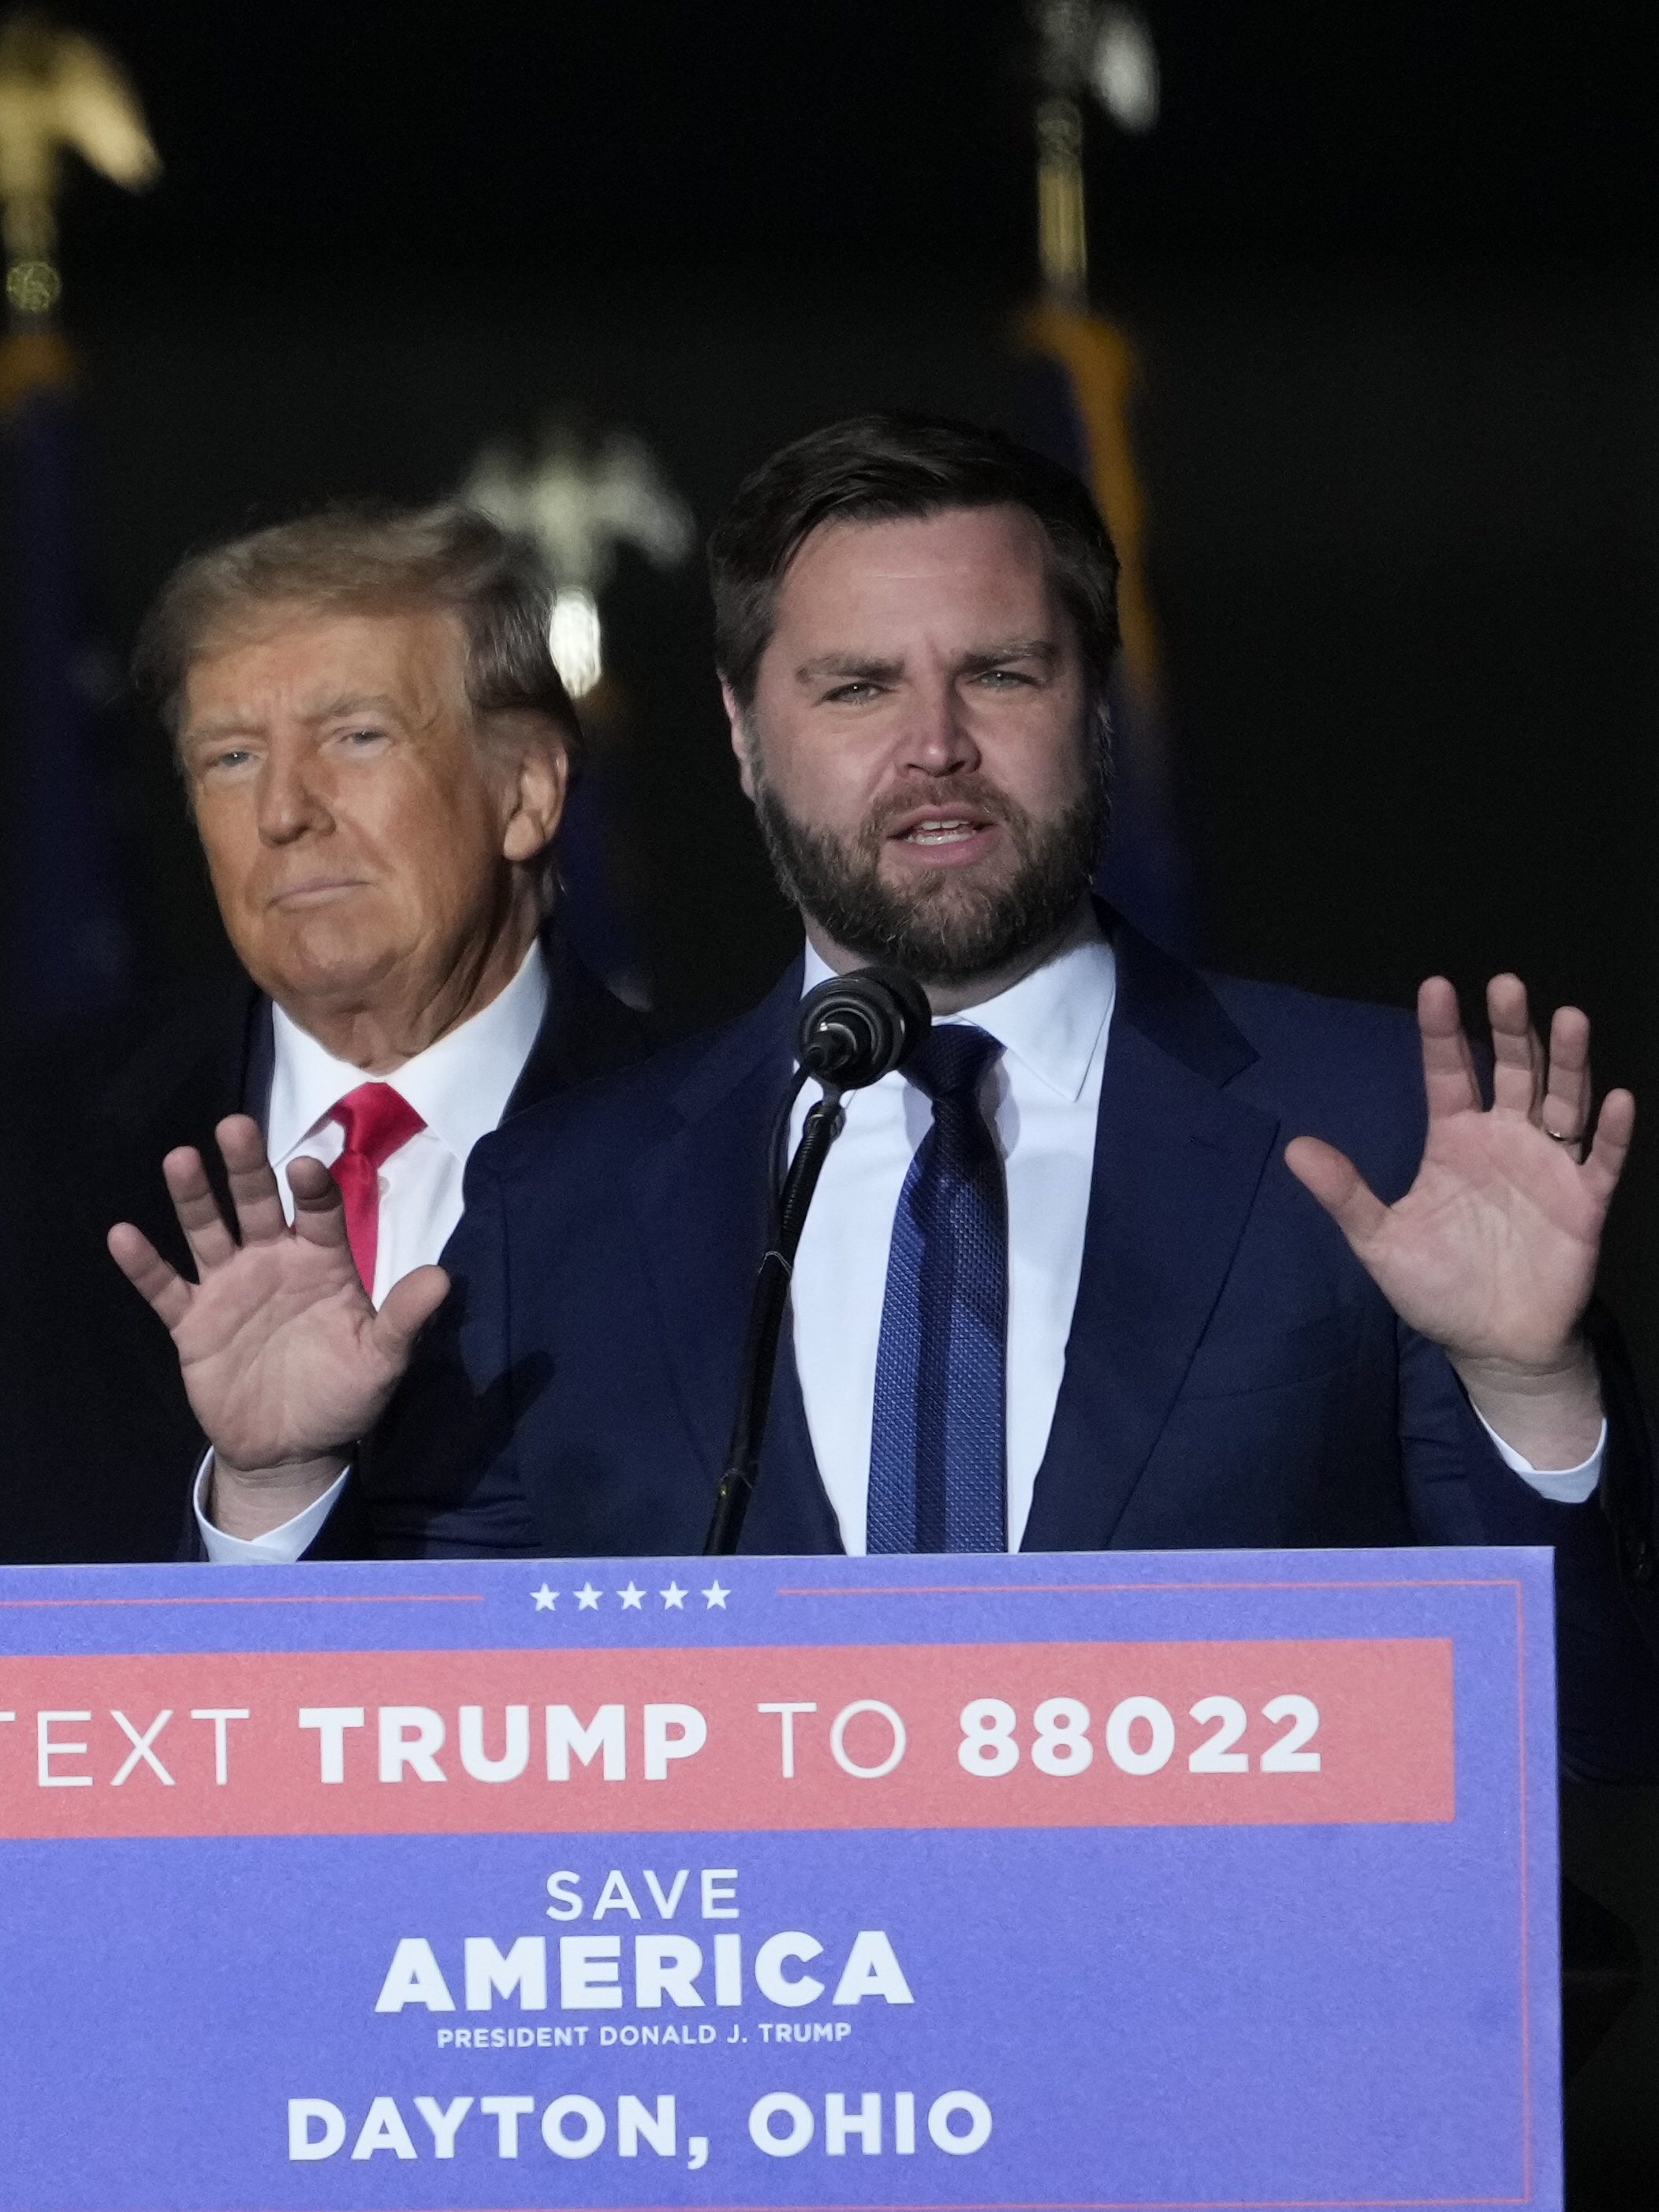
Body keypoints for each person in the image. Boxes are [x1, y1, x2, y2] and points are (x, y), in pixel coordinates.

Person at [110, 418, 1658, 1775]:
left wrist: (1531, 1398)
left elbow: (1587, 1736)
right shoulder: (562, 1197)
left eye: (997, 670)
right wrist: (276, 1490)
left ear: (1094, 702)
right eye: (854, 686)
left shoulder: (1379, 1130)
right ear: (739, 731)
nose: (934, 747)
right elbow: (399, 1773)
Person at [6, 504, 650, 1561]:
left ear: (527, 791)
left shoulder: (743, 1146)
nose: (284, 811)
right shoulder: (31, 1149)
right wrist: (261, 1503)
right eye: (231, 757)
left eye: (356, 736)